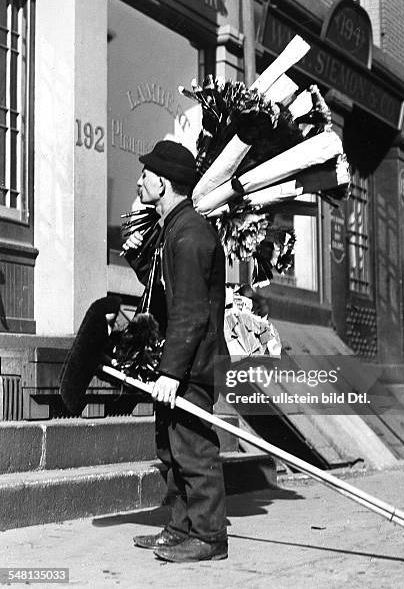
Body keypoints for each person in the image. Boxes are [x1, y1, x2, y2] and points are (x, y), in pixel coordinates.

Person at [123, 140, 229, 563]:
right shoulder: (174, 231)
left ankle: (208, 536)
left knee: (193, 450)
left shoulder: (190, 237)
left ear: (164, 183)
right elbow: (165, 303)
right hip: (180, 362)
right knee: (170, 450)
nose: (139, 180)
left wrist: (171, 373)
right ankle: (180, 527)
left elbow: (190, 314)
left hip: (194, 365)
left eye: (146, 175)